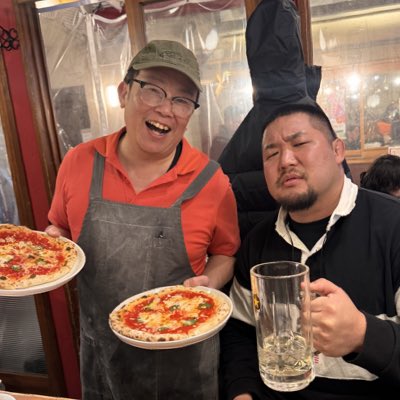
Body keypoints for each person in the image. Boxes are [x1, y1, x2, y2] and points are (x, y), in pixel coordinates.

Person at [46, 40, 240, 400]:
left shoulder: (211, 181)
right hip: (102, 361)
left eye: (182, 100)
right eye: (153, 90)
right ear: (124, 92)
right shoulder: (78, 163)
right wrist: (47, 253)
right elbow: (59, 231)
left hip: (184, 364)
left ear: (191, 112)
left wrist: (208, 283)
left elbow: (225, 253)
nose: (166, 109)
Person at [220, 100, 400, 399]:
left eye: (300, 143)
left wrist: (362, 334)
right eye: (271, 154)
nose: (285, 160)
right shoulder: (257, 241)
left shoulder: (392, 224)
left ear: (337, 150)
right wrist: (242, 391)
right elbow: (240, 331)